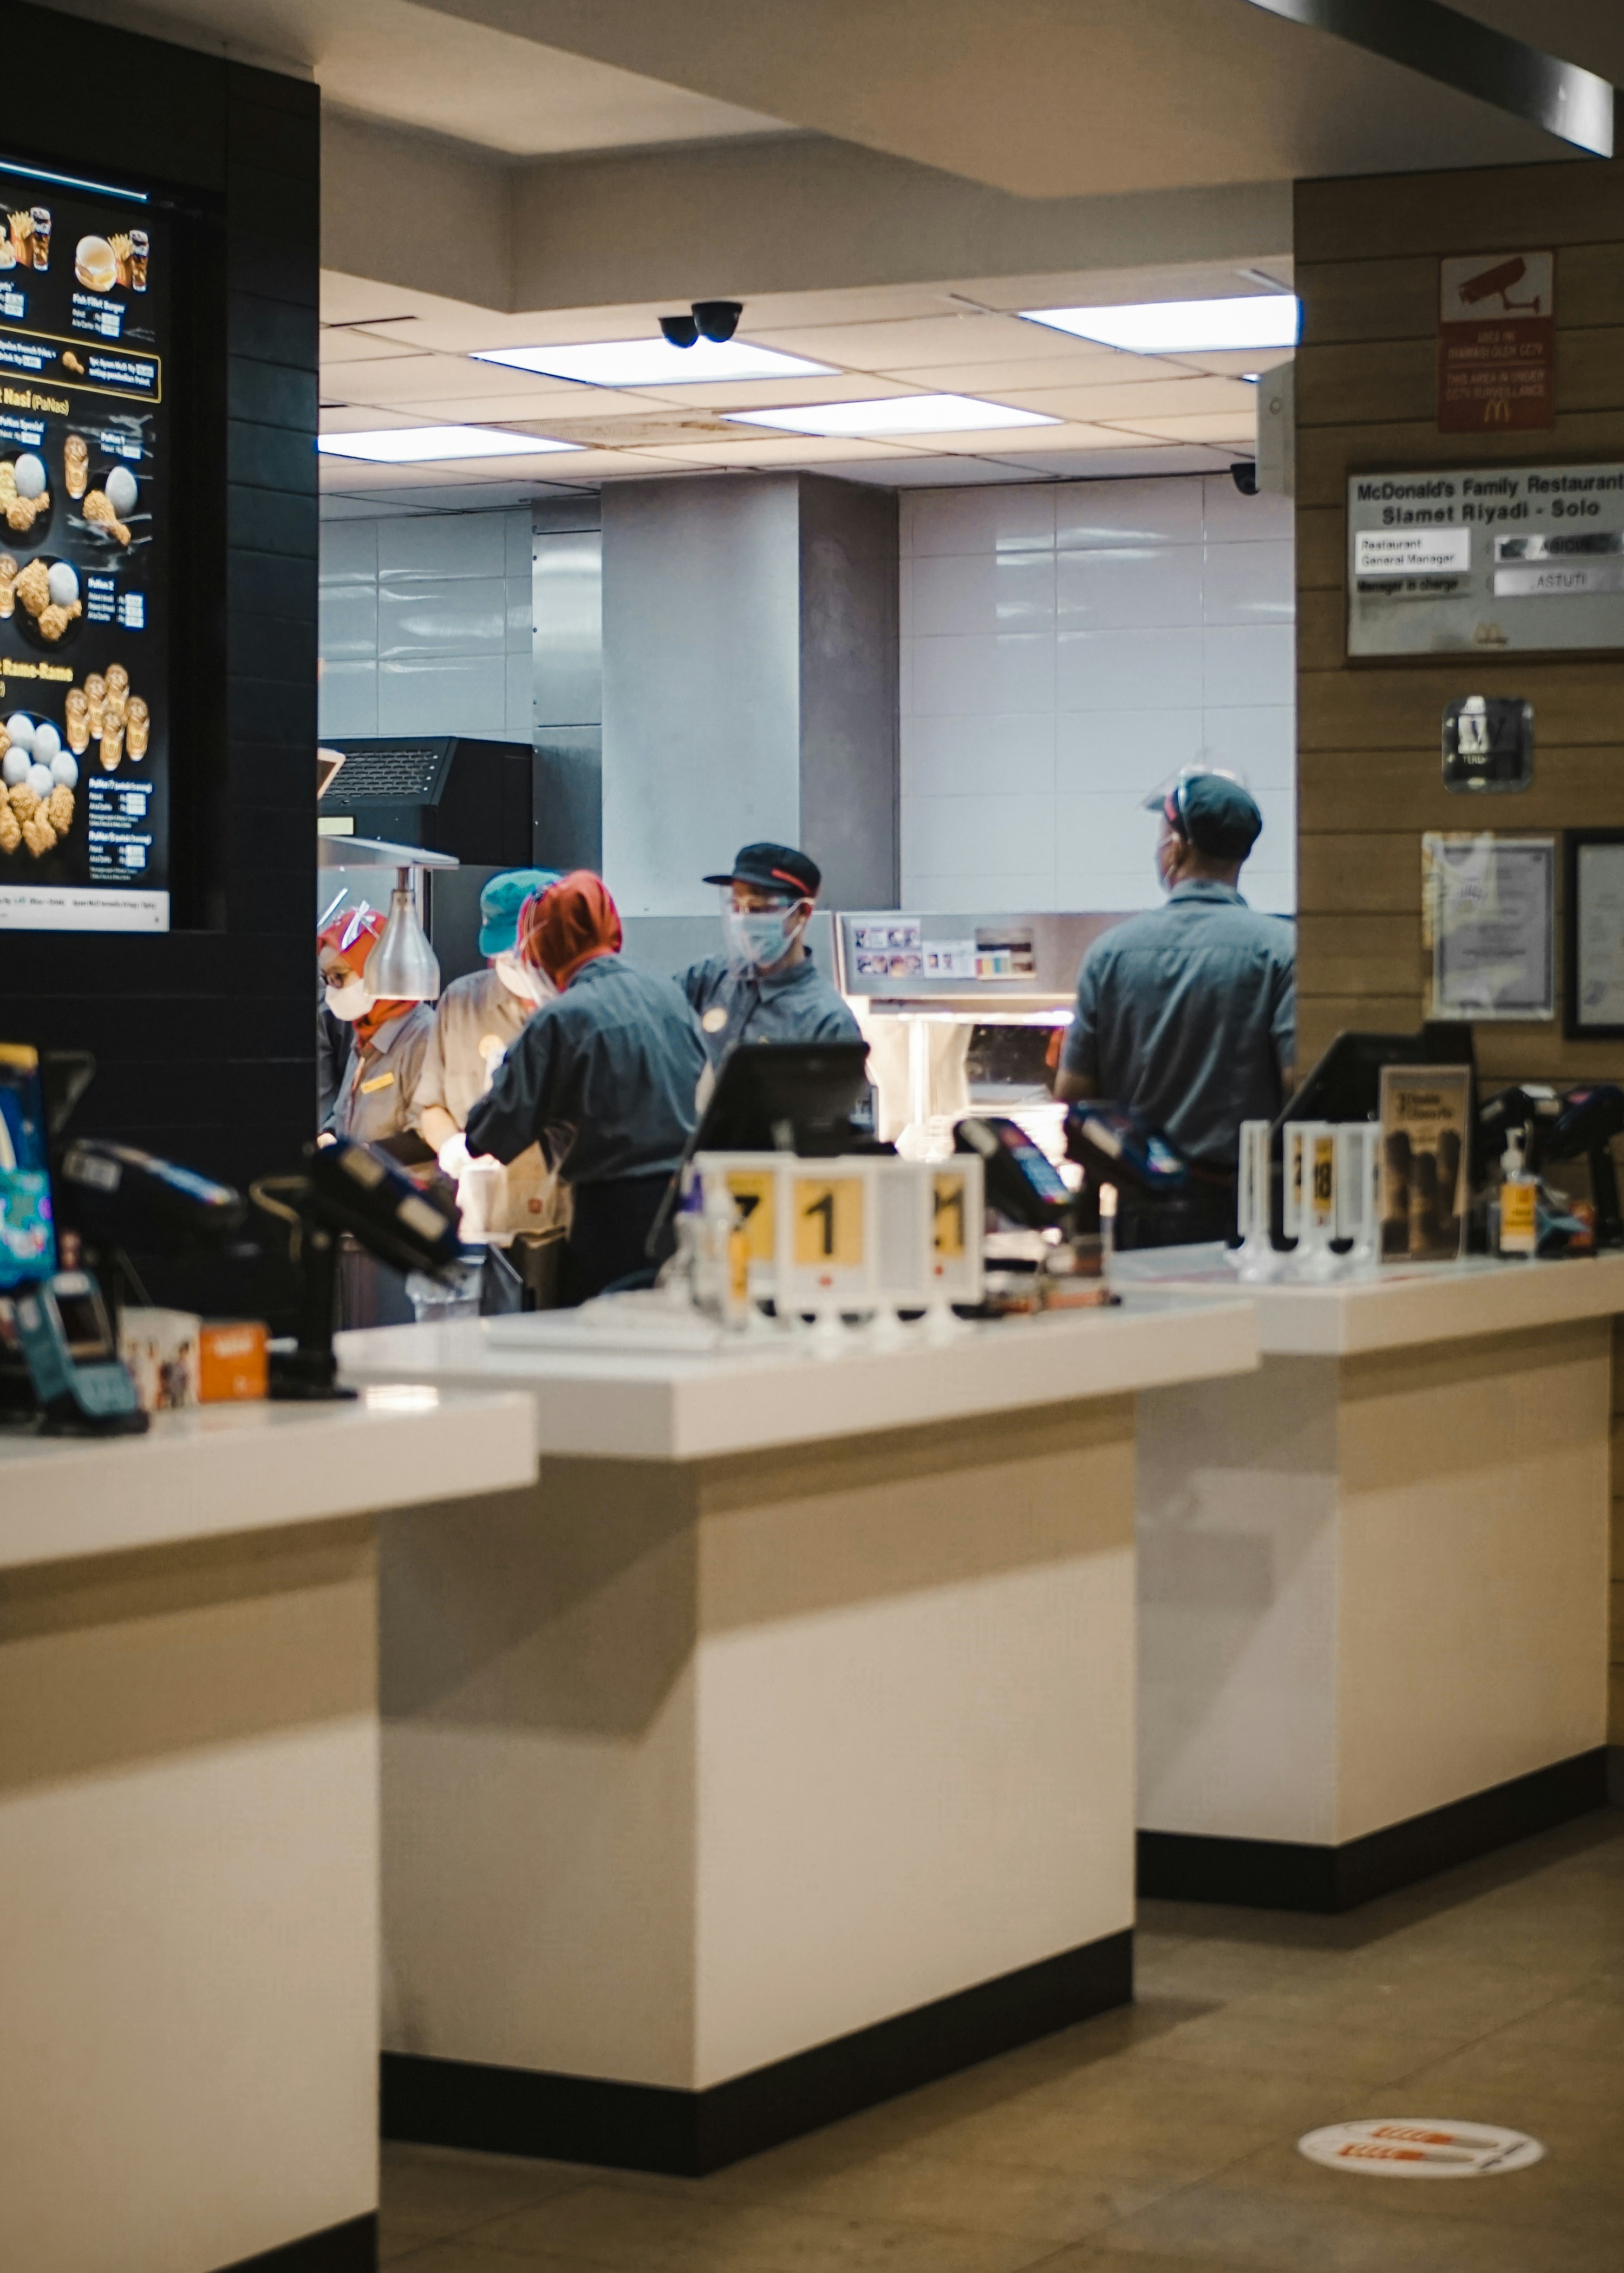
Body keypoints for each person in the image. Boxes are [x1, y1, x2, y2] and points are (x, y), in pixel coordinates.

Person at [1055, 767, 1294, 1248]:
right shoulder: (1281, 950)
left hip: (1139, 1213)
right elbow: (1297, 1082)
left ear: (1177, 848)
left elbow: (1075, 1091)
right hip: (1245, 1215)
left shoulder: (1110, 953)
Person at [466, 872, 706, 1304]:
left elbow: (489, 1133)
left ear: (541, 948)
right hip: (691, 1209)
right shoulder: (668, 995)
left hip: (611, 1219)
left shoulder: (561, 1020)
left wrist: (507, 1069)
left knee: (605, 1347)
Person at [412, 868, 570, 1305]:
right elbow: (430, 1106)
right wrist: (453, 1148)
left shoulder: (577, 1011)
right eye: (499, 956)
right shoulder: (462, 1003)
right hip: (484, 1224)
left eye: (520, 952)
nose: (510, 967)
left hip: (564, 1223)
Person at [681, 841, 862, 1067]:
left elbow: (834, 1101)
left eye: (757, 908)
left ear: (802, 912)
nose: (744, 920)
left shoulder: (826, 1021)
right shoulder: (709, 979)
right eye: (737, 908)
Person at [318, 908, 436, 1147]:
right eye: (326, 978)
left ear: (376, 971)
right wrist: (330, 1135)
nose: (332, 988)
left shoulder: (423, 1038)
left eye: (338, 976)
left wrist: (361, 1157)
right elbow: (346, 1114)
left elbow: (427, 1137)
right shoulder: (366, 1034)